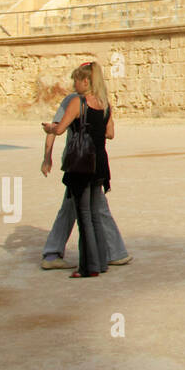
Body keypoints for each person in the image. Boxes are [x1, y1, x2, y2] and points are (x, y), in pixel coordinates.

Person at [40, 88, 131, 270]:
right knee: (86, 208)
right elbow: (56, 128)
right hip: (81, 163)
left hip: (86, 163)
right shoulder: (80, 101)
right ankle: (112, 253)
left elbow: (55, 128)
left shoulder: (90, 101)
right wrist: (47, 157)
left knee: (84, 207)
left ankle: (113, 252)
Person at [46, 62, 116, 278]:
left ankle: (89, 267)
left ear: (86, 81)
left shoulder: (78, 102)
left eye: (76, 79)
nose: (74, 83)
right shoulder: (105, 104)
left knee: (84, 215)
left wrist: (50, 128)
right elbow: (110, 133)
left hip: (82, 164)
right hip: (100, 163)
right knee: (95, 215)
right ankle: (101, 262)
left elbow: (59, 129)